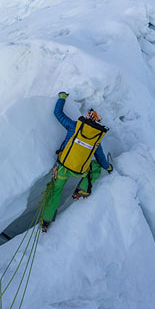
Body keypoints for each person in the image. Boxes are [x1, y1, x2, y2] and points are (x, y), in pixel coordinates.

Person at [41, 92, 112, 232]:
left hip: (62, 167)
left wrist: (62, 98)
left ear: (87, 117)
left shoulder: (74, 126)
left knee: (56, 191)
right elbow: (101, 158)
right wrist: (108, 167)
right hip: (79, 170)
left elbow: (58, 113)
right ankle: (82, 190)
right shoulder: (96, 139)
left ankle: (46, 220)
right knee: (96, 167)